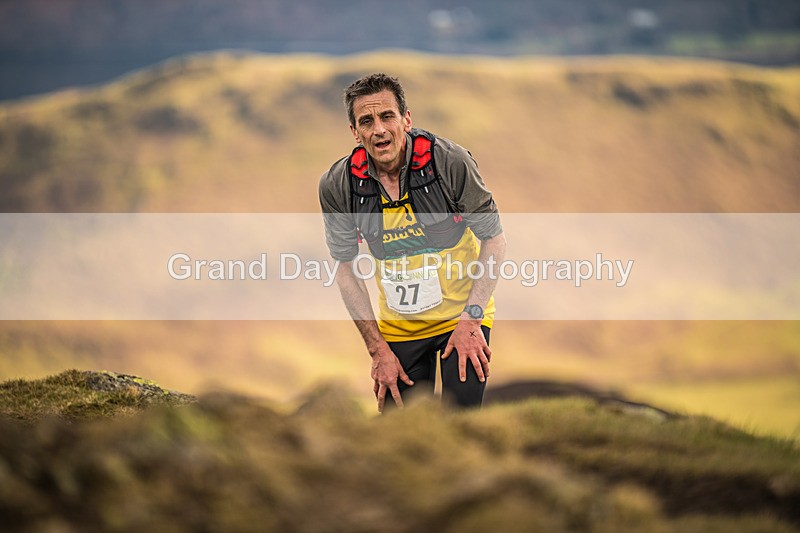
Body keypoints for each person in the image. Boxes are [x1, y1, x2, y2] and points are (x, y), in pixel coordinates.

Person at [319, 73, 506, 412]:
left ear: (406, 119)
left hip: (460, 319)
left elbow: (494, 240)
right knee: (399, 436)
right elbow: (345, 269)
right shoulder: (339, 184)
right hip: (401, 328)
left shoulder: (449, 161)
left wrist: (471, 321)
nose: (379, 130)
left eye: (387, 116)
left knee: (459, 426)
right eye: (366, 121)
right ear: (354, 132)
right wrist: (377, 350)